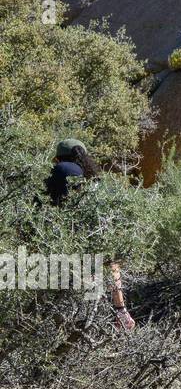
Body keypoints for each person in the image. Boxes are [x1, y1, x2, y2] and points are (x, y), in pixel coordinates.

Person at [46, 139, 134, 331]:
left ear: (57, 157)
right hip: (96, 233)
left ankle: (75, 319)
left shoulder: (61, 169)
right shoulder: (93, 177)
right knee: (111, 264)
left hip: (67, 236)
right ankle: (120, 311)